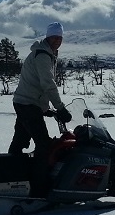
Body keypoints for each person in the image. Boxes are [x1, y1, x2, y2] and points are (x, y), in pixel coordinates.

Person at [8, 21, 71, 197]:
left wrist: (45, 109)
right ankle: (38, 188)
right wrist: (60, 108)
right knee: (44, 145)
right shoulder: (43, 55)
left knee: (19, 144)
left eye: (60, 37)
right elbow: (47, 84)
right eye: (54, 37)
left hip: (25, 102)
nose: (57, 40)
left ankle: (14, 179)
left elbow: (36, 83)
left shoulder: (46, 52)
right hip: (28, 104)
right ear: (47, 37)